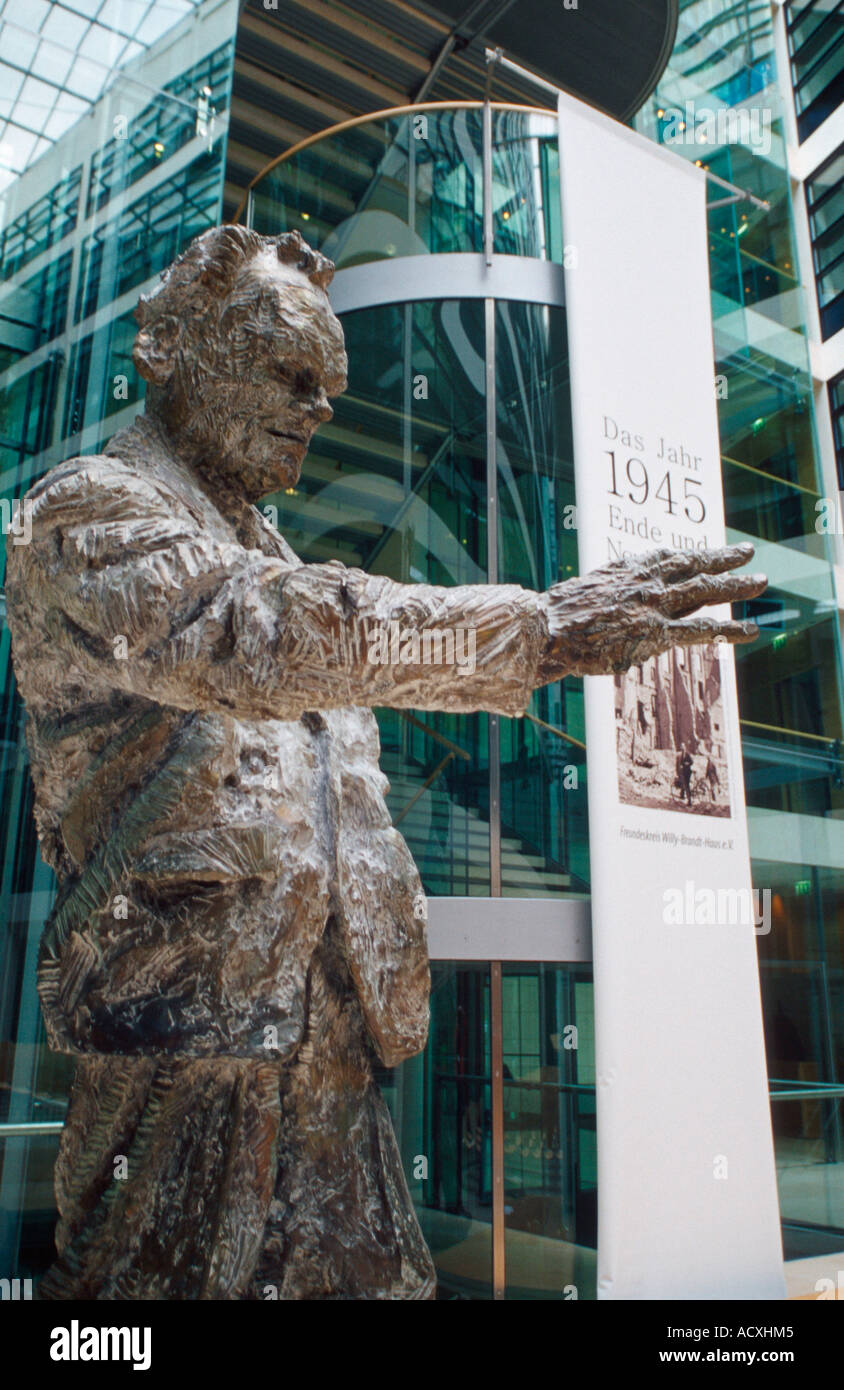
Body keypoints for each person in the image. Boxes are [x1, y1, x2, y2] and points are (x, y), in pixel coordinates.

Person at [5, 225, 766, 1300]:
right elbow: (253, 634)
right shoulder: (84, 513)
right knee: (152, 1287)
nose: (316, 407)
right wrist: (537, 628)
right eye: (287, 369)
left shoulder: (273, 552)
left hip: (336, 1033)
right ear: (170, 345)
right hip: (186, 1033)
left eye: (328, 386)